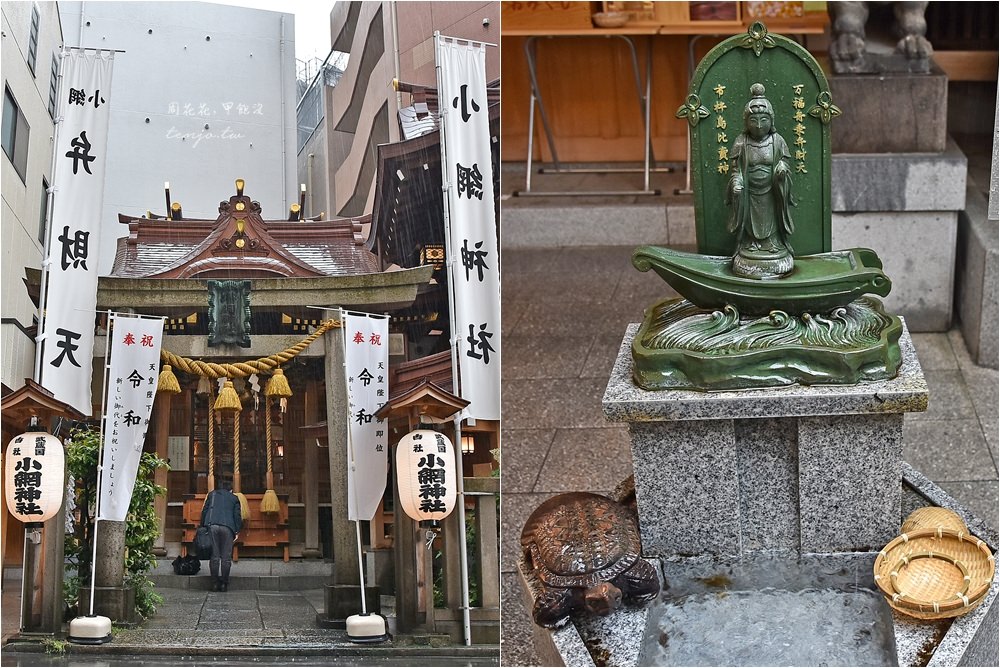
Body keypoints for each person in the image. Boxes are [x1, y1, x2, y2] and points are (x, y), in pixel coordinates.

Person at [726, 82, 796, 279]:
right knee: (750, 220)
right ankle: (751, 243)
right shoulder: (741, 142)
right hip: (749, 191)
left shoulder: (777, 141)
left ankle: (771, 242)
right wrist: (737, 183)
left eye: (763, 120)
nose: (758, 125)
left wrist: (782, 170)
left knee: (771, 216)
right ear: (746, 122)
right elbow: (735, 170)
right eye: (753, 120)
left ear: (771, 120)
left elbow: (784, 162)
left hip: (771, 189)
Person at [200, 479, 243, 592]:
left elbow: (204, 511)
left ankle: (214, 583)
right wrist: (237, 530)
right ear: (231, 489)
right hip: (228, 528)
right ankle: (224, 583)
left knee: (214, 556)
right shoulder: (234, 498)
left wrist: (202, 526)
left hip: (212, 525)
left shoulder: (212, 495)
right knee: (226, 557)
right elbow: (237, 516)